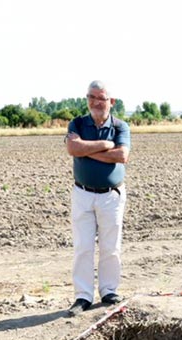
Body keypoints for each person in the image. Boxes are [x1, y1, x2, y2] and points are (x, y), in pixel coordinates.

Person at [65, 80, 130, 316]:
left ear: (111, 101)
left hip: (111, 196)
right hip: (82, 193)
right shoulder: (77, 123)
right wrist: (104, 145)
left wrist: (87, 150)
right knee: (83, 246)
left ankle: (109, 291)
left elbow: (121, 155)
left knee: (110, 246)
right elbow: (73, 149)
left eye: (101, 98)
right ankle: (83, 296)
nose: (95, 102)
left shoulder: (120, 126)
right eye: (91, 97)